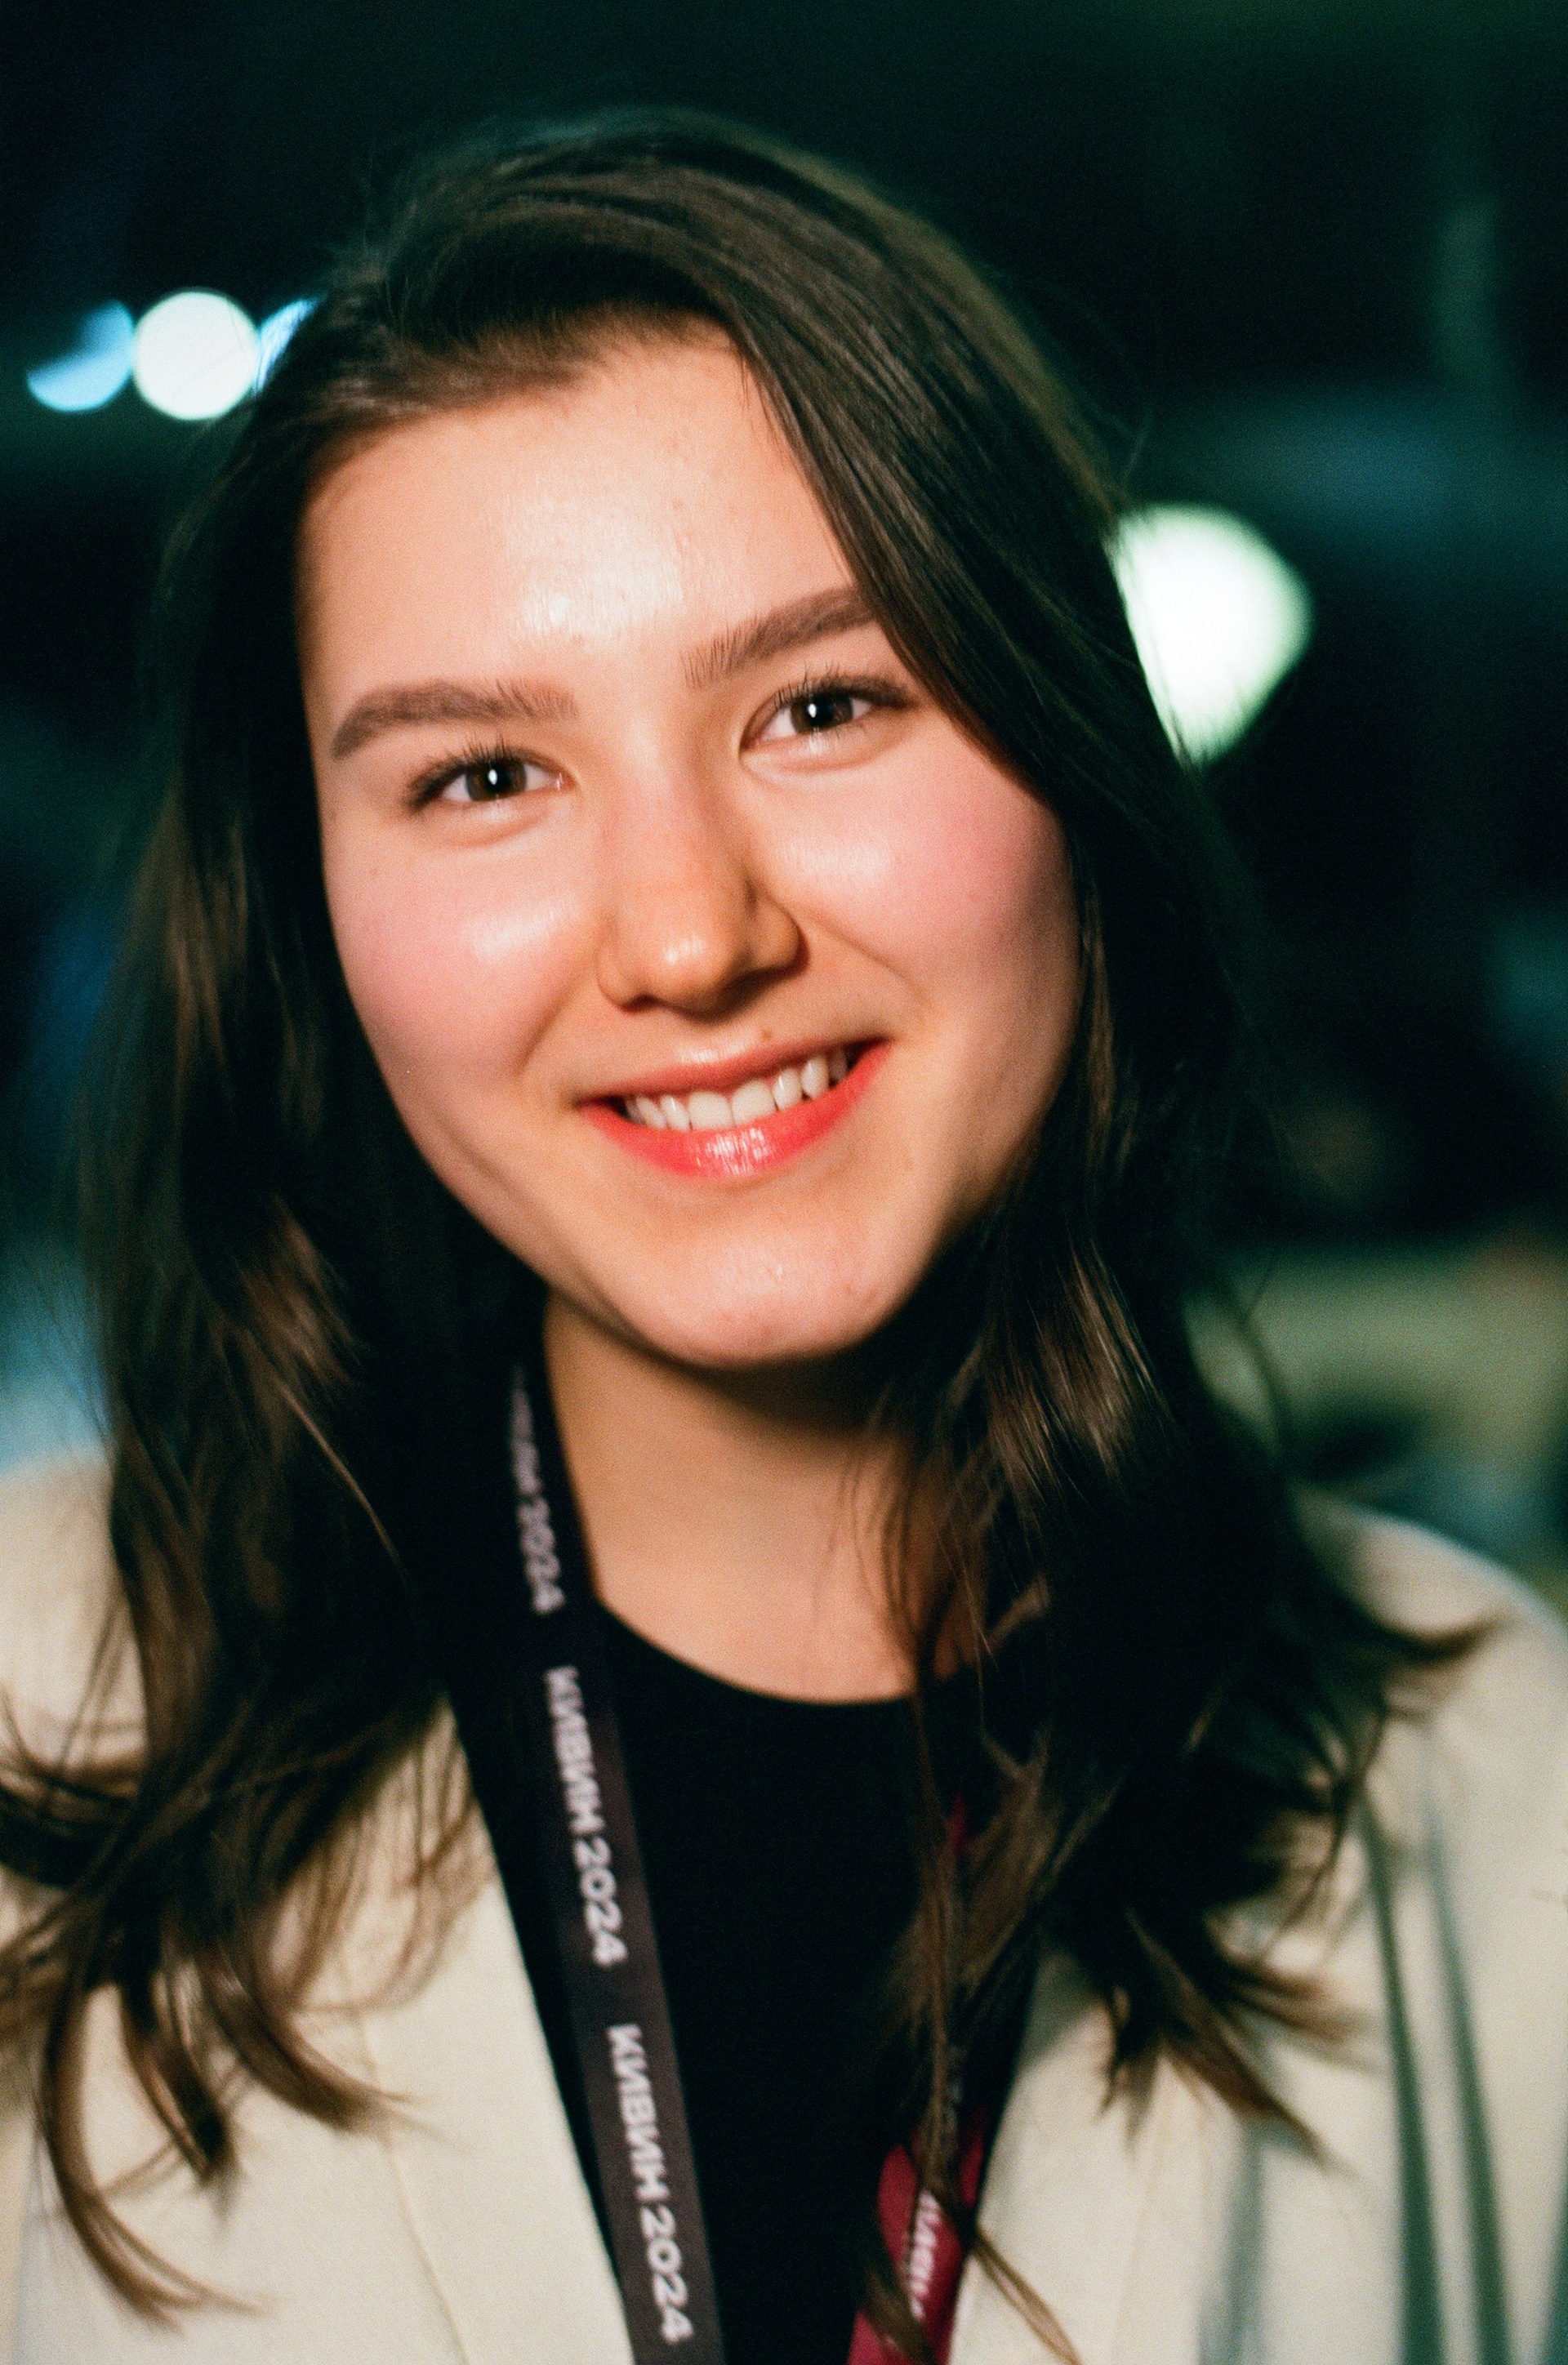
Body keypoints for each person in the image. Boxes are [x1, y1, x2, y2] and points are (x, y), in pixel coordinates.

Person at [0, 110, 1565, 2365]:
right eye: (482, 777)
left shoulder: (1495, 1783)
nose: (687, 937)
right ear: (313, 909)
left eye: (825, 706)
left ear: (1078, 752)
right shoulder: (39, 1705)